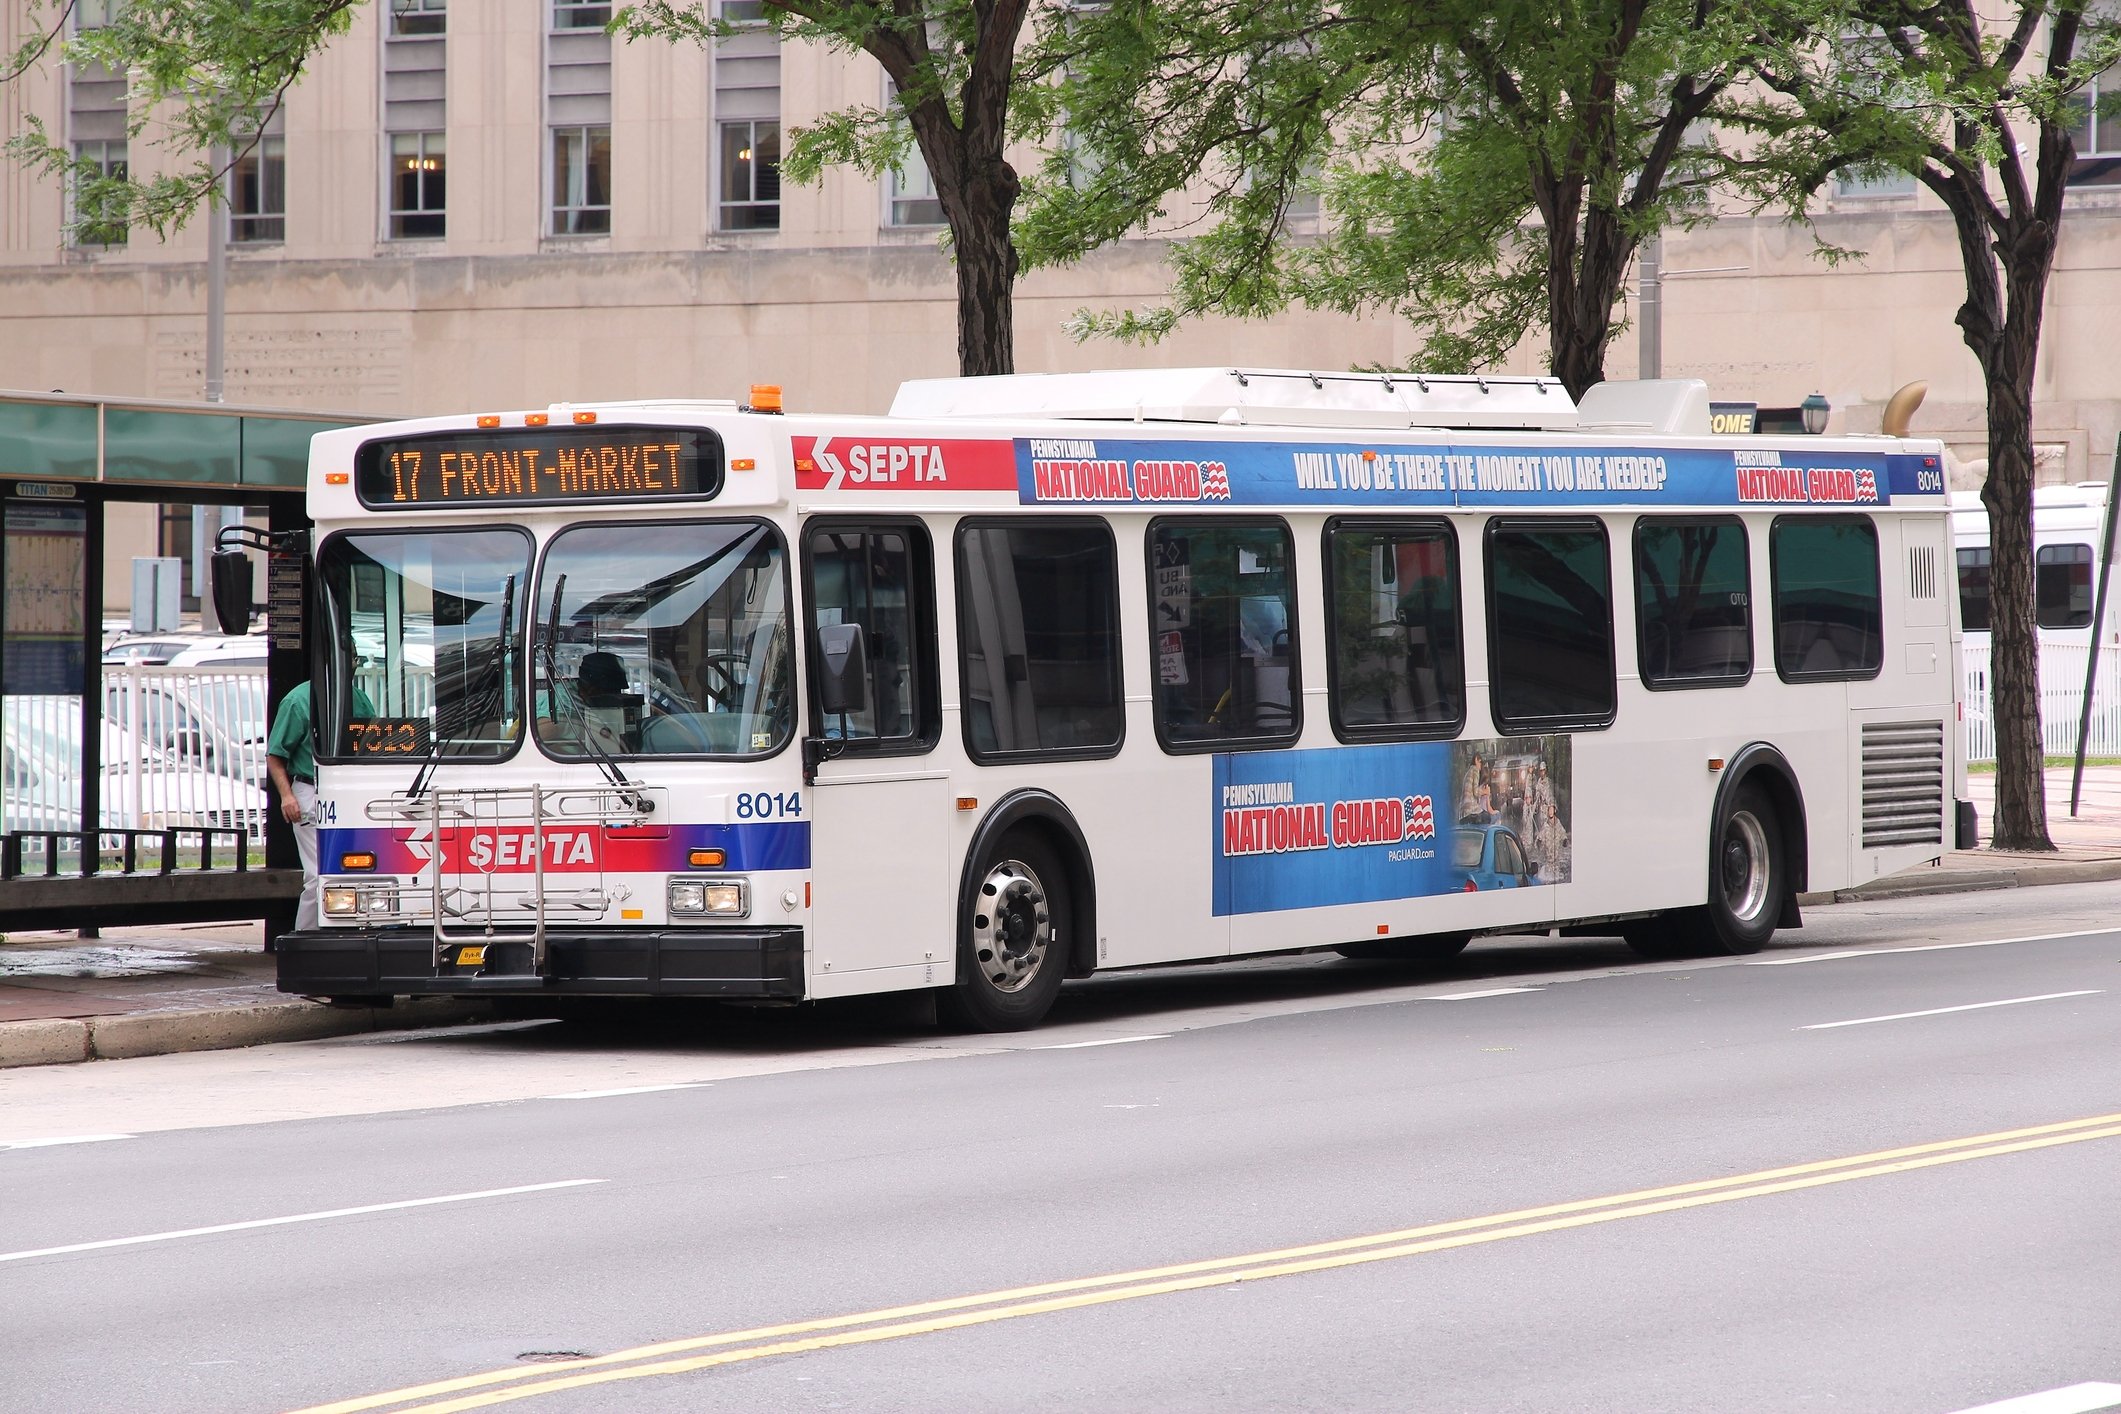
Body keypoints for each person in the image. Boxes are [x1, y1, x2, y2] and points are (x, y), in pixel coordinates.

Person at [266, 680, 321, 932]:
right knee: (318, 875)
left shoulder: (359, 698)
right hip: (309, 789)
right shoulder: (297, 700)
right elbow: (275, 755)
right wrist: (287, 796)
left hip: (347, 789)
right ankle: (306, 938)